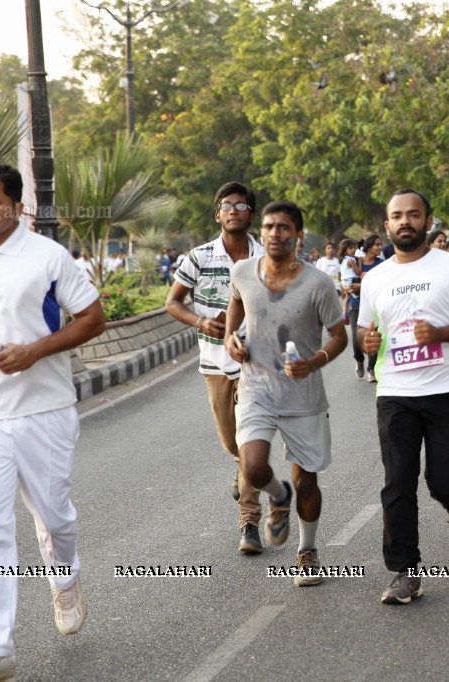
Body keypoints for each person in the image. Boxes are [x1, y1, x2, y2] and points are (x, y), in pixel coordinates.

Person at [0, 163, 106, 682]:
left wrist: (34, 352)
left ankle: (64, 577)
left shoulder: (48, 257)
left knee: (56, 519)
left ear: (17, 207)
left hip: (44, 412)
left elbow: (92, 318)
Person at [359, 189, 449, 604]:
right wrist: (367, 342)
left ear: (427, 220)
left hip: (447, 390)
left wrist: (439, 334)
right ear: (387, 226)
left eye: (413, 215)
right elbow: (366, 330)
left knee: (441, 480)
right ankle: (405, 572)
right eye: (397, 216)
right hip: (395, 393)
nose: (405, 221)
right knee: (398, 481)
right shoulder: (374, 277)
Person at [223, 200, 347, 587]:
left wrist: (314, 362)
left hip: (303, 394)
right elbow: (237, 304)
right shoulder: (243, 271)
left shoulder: (318, 284)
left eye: (284, 228)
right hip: (257, 385)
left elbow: (339, 336)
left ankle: (307, 551)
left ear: (298, 234)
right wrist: (230, 337)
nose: (276, 233)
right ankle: (278, 496)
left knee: (308, 479)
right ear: (262, 232)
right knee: (253, 467)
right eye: (270, 226)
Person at [166, 181, 267, 554]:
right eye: (227, 205)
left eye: (241, 206)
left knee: (250, 439)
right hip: (213, 362)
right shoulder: (199, 256)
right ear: (217, 213)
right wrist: (200, 322)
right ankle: (246, 470)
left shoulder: (264, 257)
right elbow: (173, 302)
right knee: (231, 441)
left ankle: (249, 523)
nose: (234, 211)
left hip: (256, 364)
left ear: (251, 215)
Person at [356, 235, 385, 383]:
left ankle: (371, 368)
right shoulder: (357, 263)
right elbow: (347, 279)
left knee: (373, 335)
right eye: (377, 245)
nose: (380, 248)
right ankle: (359, 360)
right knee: (357, 341)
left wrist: (361, 286)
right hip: (356, 303)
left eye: (381, 245)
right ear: (368, 247)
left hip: (374, 306)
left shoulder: (383, 265)